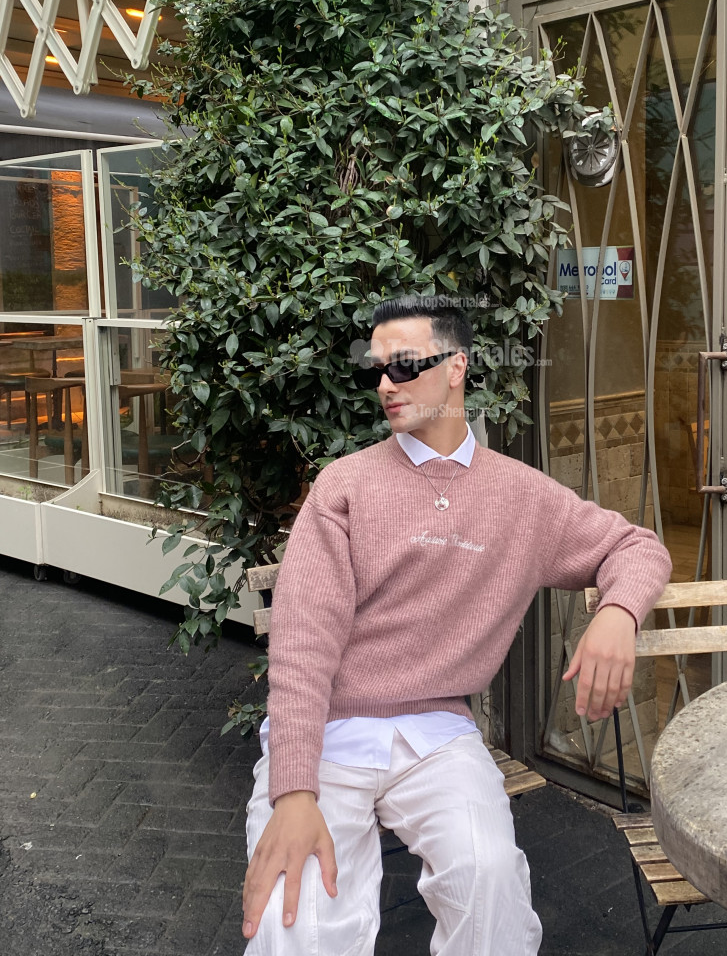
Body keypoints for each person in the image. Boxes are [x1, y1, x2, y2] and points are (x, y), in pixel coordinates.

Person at [241, 294, 672, 955]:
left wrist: (617, 614)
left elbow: (636, 547)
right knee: (293, 919)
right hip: (328, 731)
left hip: (438, 735)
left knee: (490, 885)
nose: (385, 385)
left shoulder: (522, 495)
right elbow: (301, 647)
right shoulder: (345, 487)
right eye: (376, 370)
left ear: (456, 367)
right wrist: (294, 792)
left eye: (403, 366)